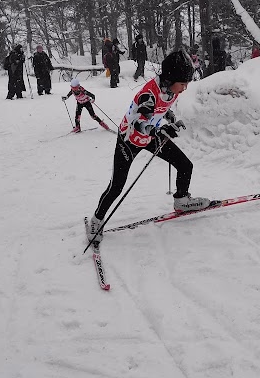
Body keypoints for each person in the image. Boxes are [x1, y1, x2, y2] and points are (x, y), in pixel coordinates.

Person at [88, 50, 210, 245]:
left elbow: (162, 107)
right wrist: (160, 130)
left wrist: (169, 118)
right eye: (184, 84)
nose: (185, 88)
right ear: (171, 78)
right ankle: (96, 220)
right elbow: (140, 122)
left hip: (150, 137)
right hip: (129, 139)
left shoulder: (170, 88)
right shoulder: (148, 95)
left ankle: (181, 200)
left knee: (185, 165)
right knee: (117, 186)